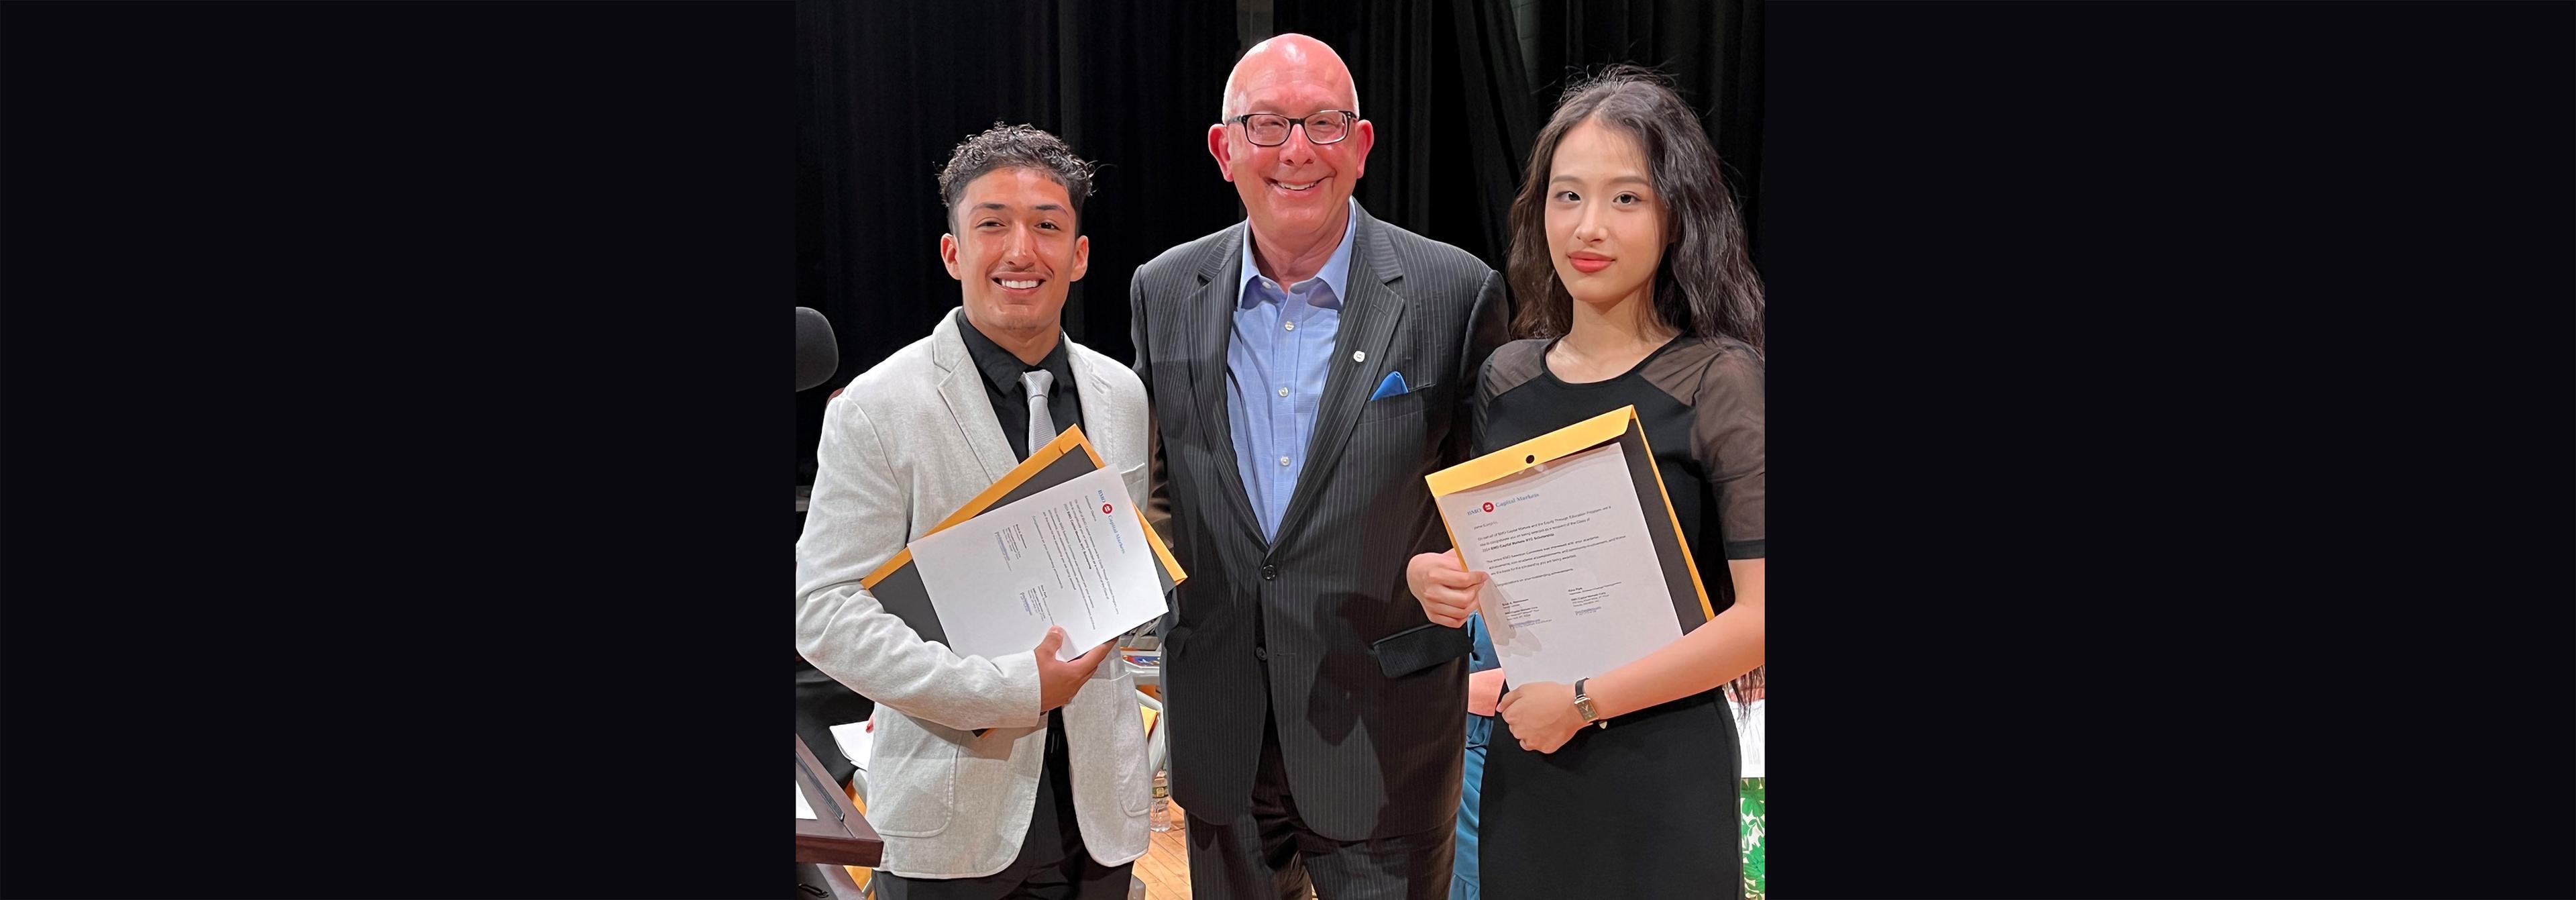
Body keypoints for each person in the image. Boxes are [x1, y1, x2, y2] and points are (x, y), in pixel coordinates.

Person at [1126, 33, 1511, 900]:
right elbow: (1162, 478)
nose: (1297, 150)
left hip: (1387, 729)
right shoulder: (1162, 289)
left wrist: (1457, 568)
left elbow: (1487, 495)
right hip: (1222, 720)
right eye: (1267, 125)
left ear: (1363, 144)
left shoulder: (1455, 290)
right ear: (1225, 150)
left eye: (1324, 123)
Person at [1405, 65, 1767, 899]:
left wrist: (1583, 700)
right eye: (1567, 197)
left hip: (1662, 770)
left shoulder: (1719, 380)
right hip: (1532, 764)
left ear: (1678, 217)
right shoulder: (1506, 377)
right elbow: (1491, 569)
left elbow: (1758, 621)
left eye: (1626, 199)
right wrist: (1434, 580)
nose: (1589, 227)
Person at [796, 123, 1153, 900]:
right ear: (954, 252)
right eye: (992, 223)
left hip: (1100, 816)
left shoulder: (1123, 396)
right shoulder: (875, 407)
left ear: (1080, 255)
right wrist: (1010, 691)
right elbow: (822, 613)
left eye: (1047, 226)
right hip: (946, 820)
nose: (1021, 250)